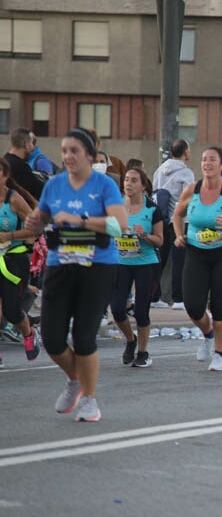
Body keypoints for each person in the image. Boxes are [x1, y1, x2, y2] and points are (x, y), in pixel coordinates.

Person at [27, 128, 127, 422]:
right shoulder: (55, 185)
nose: (68, 156)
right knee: (52, 338)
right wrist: (35, 220)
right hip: (61, 265)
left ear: (89, 156)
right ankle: (76, 381)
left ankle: (90, 400)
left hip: (98, 267)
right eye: (64, 151)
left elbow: (119, 225)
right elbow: (42, 219)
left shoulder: (104, 185)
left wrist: (79, 219)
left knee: (84, 337)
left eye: (74, 151)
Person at [173, 147, 222, 371]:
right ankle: (208, 334)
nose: (207, 163)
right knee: (193, 306)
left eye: (212, 160)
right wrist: (178, 234)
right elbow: (178, 214)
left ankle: (220, 355)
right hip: (197, 253)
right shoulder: (192, 190)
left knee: (219, 306)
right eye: (204, 159)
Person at [110, 167, 163, 368]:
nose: (128, 184)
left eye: (134, 180)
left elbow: (160, 241)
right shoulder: (116, 207)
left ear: (142, 186)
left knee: (141, 311)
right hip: (121, 263)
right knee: (116, 309)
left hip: (146, 264)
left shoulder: (152, 210)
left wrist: (145, 236)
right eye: (126, 180)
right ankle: (130, 340)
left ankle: (143, 352)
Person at [0, 156, 41, 369]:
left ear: (5, 176)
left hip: (14, 260)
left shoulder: (14, 200)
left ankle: (28, 333)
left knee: (11, 311)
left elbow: (35, 228)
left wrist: (10, 236)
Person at [152, 138, 195, 310]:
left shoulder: (159, 170)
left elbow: (155, 192)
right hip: (179, 221)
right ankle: (178, 298)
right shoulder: (186, 174)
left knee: (159, 260)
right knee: (180, 262)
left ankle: (154, 297)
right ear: (185, 153)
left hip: (160, 219)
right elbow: (189, 199)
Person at [5, 128, 44, 202]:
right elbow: (38, 190)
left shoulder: (5, 161)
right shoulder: (20, 167)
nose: (33, 147)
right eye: (32, 143)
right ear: (26, 144)